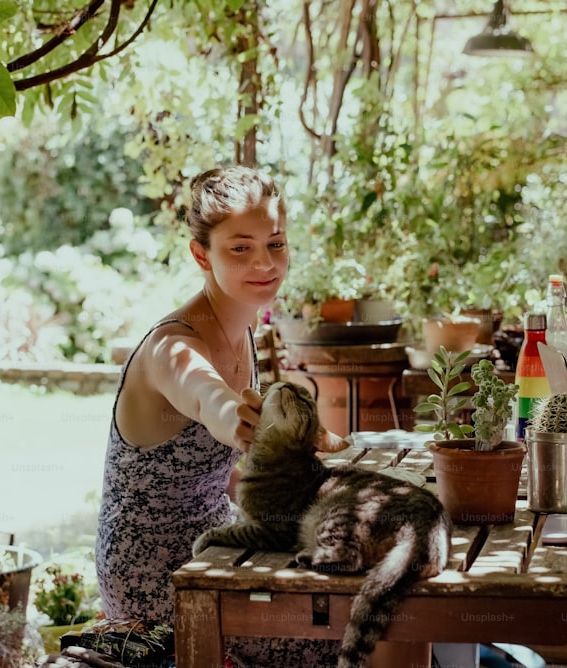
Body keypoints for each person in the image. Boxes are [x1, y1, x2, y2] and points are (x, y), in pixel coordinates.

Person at [94, 166, 350, 667]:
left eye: (275, 244)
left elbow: (213, 471)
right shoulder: (172, 348)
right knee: (335, 633)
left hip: (220, 547)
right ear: (200, 254)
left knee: (358, 595)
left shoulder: (243, 334)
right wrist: (235, 414)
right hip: (154, 577)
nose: (265, 262)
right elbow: (207, 399)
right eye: (240, 247)